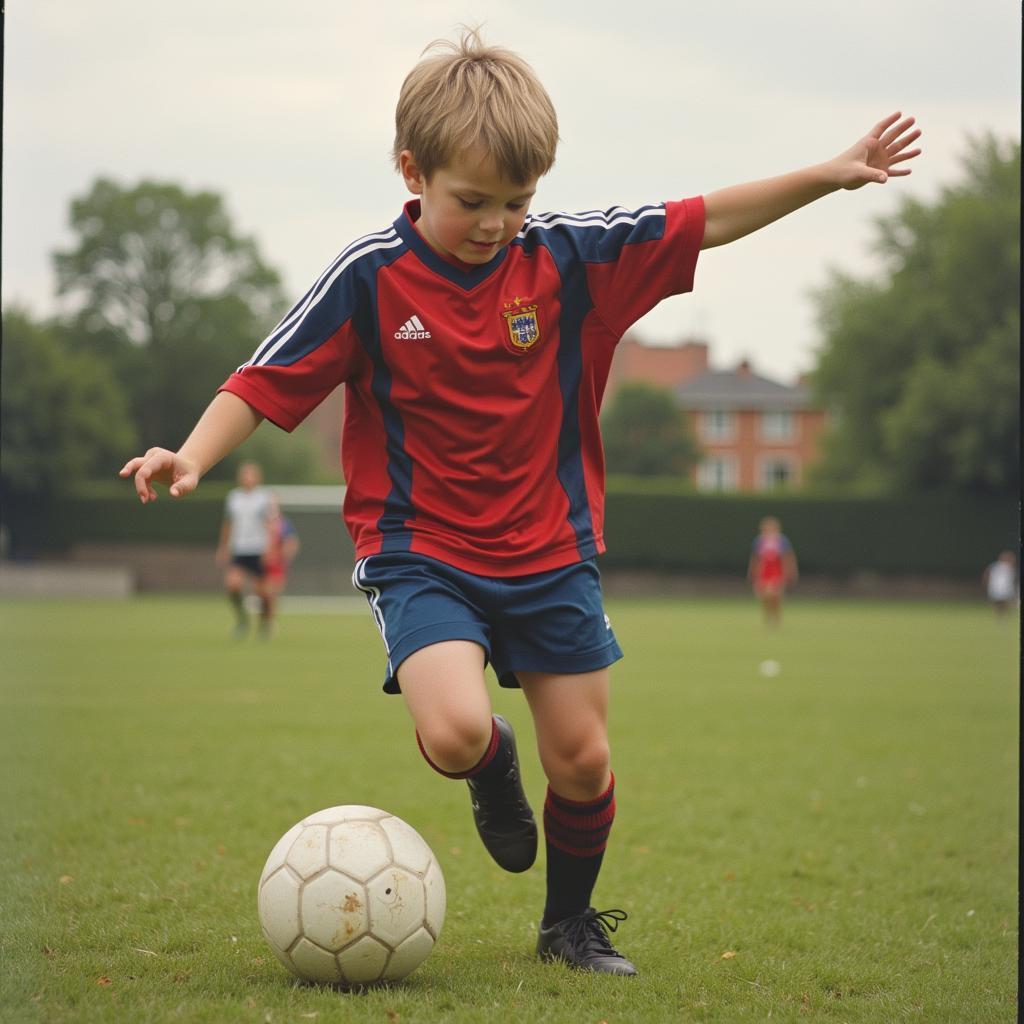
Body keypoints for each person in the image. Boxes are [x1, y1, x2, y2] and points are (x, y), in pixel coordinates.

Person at [119, 28, 920, 976]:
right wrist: (192, 453)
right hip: (419, 549)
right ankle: (488, 763)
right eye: (472, 201)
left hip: (550, 551)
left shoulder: (572, 259)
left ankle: (568, 927)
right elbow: (264, 379)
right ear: (412, 171)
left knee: (582, 760)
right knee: (457, 730)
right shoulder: (368, 275)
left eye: (517, 200)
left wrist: (830, 175)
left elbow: (703, 218)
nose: (497, 221)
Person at [217, 460, 273, 638]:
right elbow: (228, 524)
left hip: (258, 548)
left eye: (251, 474)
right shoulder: (234, 498)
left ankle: (265, 622)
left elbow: (270, 525)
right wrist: (223, 547)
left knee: (262, 592)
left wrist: (269, 548)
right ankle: (242, 620)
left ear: (257, 478)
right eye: (244, 474)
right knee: (232, 585)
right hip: (239, 548)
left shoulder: (263, 498)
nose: (247, 478)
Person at [748, 516, 799, 627]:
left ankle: (776, 619)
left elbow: (788, 558)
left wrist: (791, 572)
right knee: (765, 596)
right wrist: (752, 572)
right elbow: (756, 558)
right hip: (764, 572)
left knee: (776, 596)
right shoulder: (759, 541)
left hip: (777, 571)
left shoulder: (782, 541)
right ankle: (767, 617)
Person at [263, 495, 301, 622]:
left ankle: (269, 622)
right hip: (261, 563)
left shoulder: (284, 523)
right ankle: (264, 619)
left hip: (277, 564)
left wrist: (284, 556)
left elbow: (292, 543)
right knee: (263, 593)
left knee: (271, 594)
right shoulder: (261, 522)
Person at [982, 551, 1017, 618]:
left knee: (1002, 603)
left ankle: (1001, 616)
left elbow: (986, 575)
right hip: (1001, 588)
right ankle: (1002, 616)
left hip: (999, 588)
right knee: (1001, 603)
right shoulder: (1007, 567)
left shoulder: (994, 566)